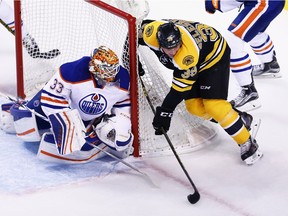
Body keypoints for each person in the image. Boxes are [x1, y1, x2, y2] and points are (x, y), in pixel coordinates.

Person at [138, 19, 263, 165]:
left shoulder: (186, 56)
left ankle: (247, 141)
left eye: (176, 46)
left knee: (214, 107)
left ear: (180, 40)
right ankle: (239, 119)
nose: (173, 52)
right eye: (168, 48)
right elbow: (135, 34)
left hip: (214, 57)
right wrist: (128, 57)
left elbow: (178, 91)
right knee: (194, 108)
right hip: (200, 51)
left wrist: (165, 112)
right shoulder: (151, 33)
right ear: (159, 43)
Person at [0, 46, 133, 164]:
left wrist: (121, 123)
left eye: (114, 69)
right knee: (27, 119)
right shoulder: (72, 71)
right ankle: (16, 112)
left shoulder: (123, 80)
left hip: (88, 119)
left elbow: (123, 105)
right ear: (94, 67)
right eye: (106, 70)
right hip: (61, 107)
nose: (112, 74)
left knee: (108, 133)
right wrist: (67, 120)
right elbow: (50, 98)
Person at [205, 0, 285, 111]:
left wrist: (214, 3)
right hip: (272, 3)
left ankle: (249, 92)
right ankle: (270, 64)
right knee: (254, 32)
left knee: (232, 41)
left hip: (263, 4)